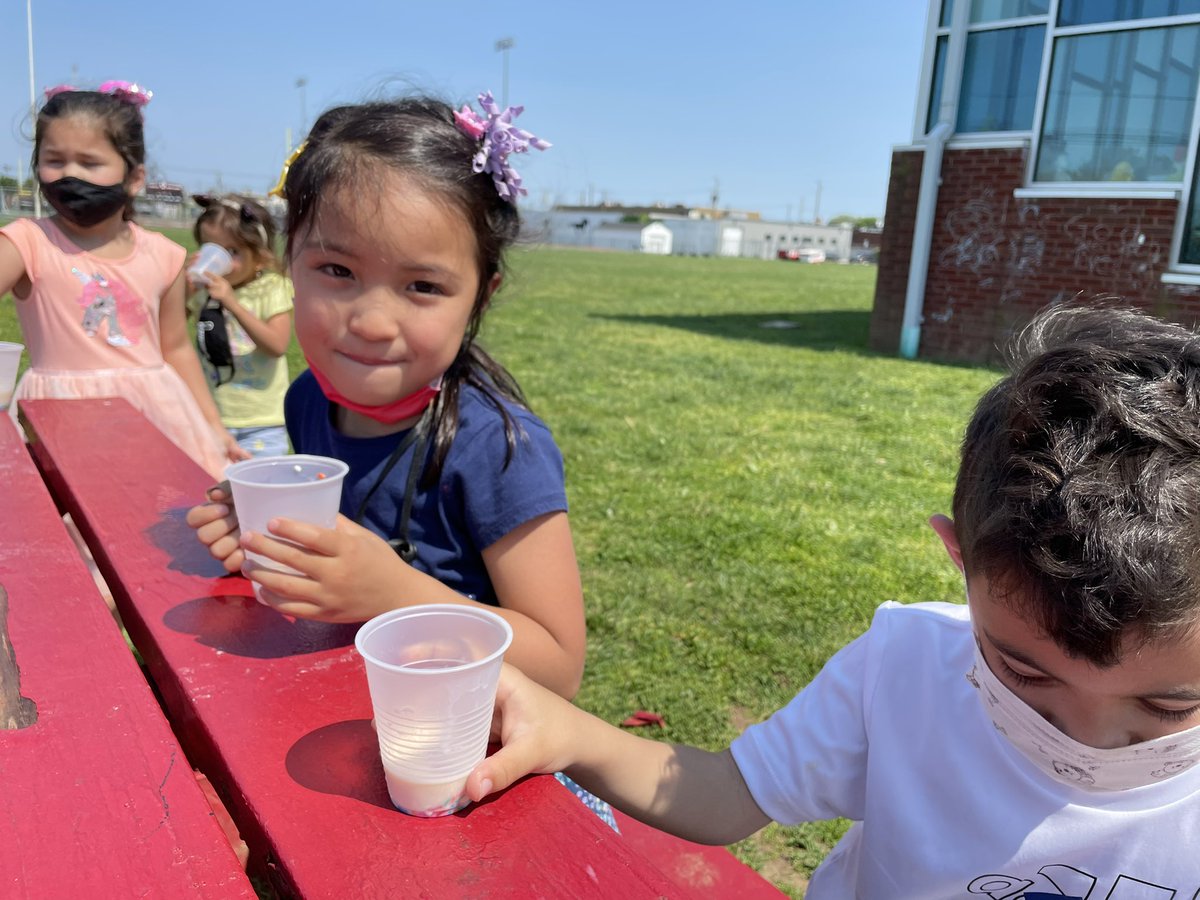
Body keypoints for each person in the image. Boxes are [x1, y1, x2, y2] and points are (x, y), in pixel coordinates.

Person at [465, 304, 1200, 896]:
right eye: (1027, 674)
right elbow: (726, 794)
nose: (1088, 742)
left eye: (1169, 708)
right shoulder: (903, 668)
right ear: (959, 558)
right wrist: (567, 733)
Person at [185, 93, 586, 696]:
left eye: (422, 285)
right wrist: (276, 540)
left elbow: (560, 668)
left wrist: (395, 592)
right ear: (289, 263)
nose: (373, 321)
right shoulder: (306, 402)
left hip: (462, 750)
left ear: (480, 296)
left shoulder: (499, 449)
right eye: (338, 271)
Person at [0, 82, 244, 478]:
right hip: (60, 420)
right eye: (54, 160)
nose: (70, 174)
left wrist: (214, 427)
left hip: (156, 417)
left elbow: (177, 348)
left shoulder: (165, 255)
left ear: (134, 178)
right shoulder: (27, 242)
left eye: (90, 163)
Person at [188, 194, 293, 457]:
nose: (220, 260)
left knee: (261, 494)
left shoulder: (271, 288)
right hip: (214, 416)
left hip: (261, 423)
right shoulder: (204, 289)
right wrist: (182, 293)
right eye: (210, 248)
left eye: (232, 251)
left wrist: (232, 303)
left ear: (260, 257)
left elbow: (277, 345)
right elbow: (169, 336)